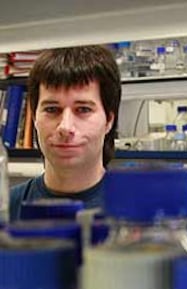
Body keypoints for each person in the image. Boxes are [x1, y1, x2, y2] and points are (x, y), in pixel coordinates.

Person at [9, 45, 121, 221]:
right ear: (34, 117)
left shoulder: (143, 212)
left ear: (109, 120)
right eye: (52, 109)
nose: (65, 127)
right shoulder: (7, 209)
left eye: (83, 109)